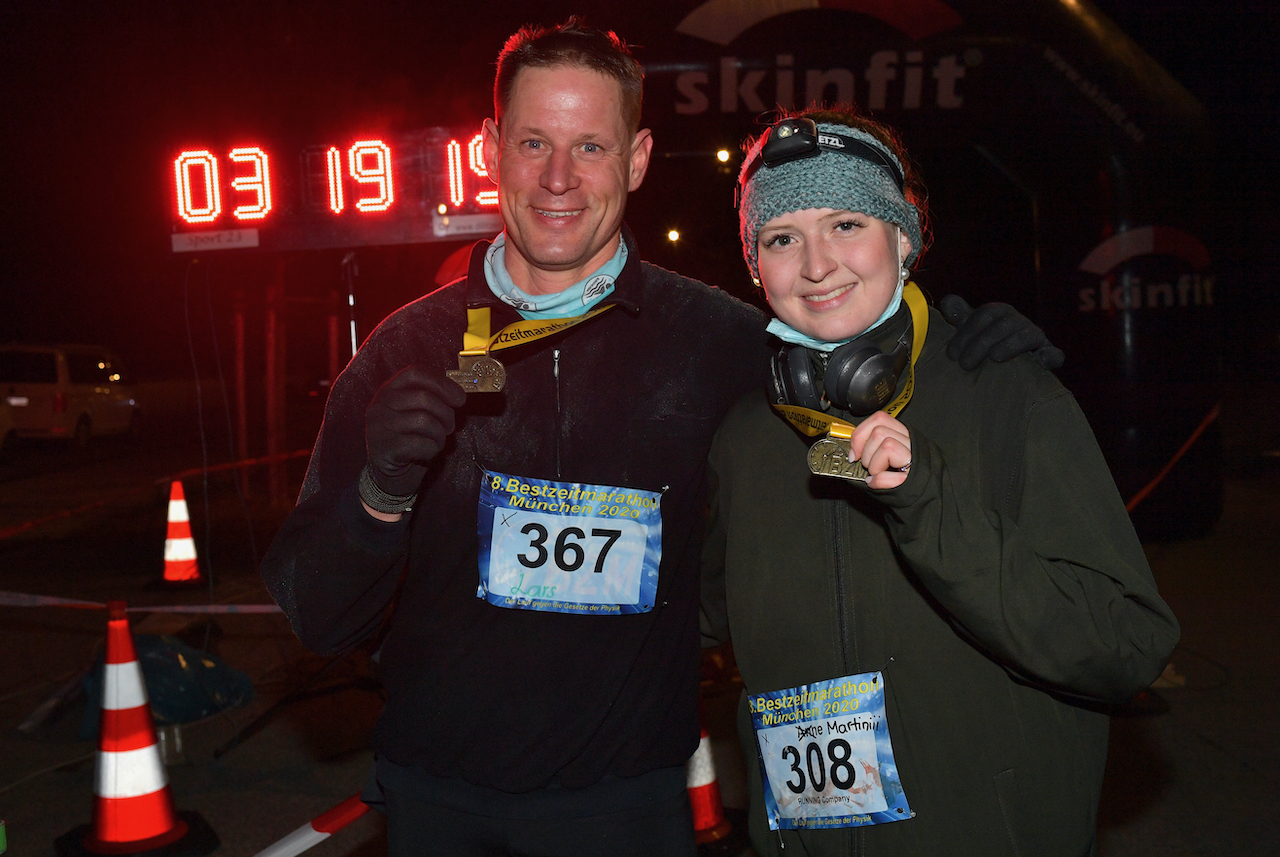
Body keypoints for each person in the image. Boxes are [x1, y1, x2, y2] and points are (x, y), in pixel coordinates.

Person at [260, 20, 1057, 856]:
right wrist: (379, 494)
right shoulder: (402, 350)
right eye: (534, 142)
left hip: (630, 811)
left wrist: (961, 344)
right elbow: (318, 615)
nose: (559, 178)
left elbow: (854, 359)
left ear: (637, 159)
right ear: (490, 148)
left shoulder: (720, 341)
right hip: (439, 808)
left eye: (591, 148)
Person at [699, 105, 1180, 856]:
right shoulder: (742, 437)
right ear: (756, 264)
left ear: (905, 237)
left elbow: (1124, 644)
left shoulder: (1011, 396)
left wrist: (930, 504)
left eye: (847, 225)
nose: (817, 264)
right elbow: (686, 619)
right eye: (783, 238)